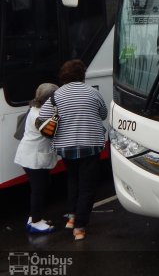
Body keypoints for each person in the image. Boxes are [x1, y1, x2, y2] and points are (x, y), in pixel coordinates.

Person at [38, 59, 107, 241]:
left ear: (64, 75)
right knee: (87, 187)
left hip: (66, 147)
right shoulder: (93, 92)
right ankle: (80, 227)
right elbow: (103, 114)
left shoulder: (56, 96)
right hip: (90, 145)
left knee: (73, 179)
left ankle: (72, 217)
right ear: (82, 75)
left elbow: (43, 117)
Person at [13, 83, 60, 233]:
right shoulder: (41, 115)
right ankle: (36, 222)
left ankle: (34, 217)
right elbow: (51, 132)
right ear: (49, 99)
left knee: (43, 185)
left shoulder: (34, 108)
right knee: (39, 189)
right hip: (33, 158)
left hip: (29, 155)